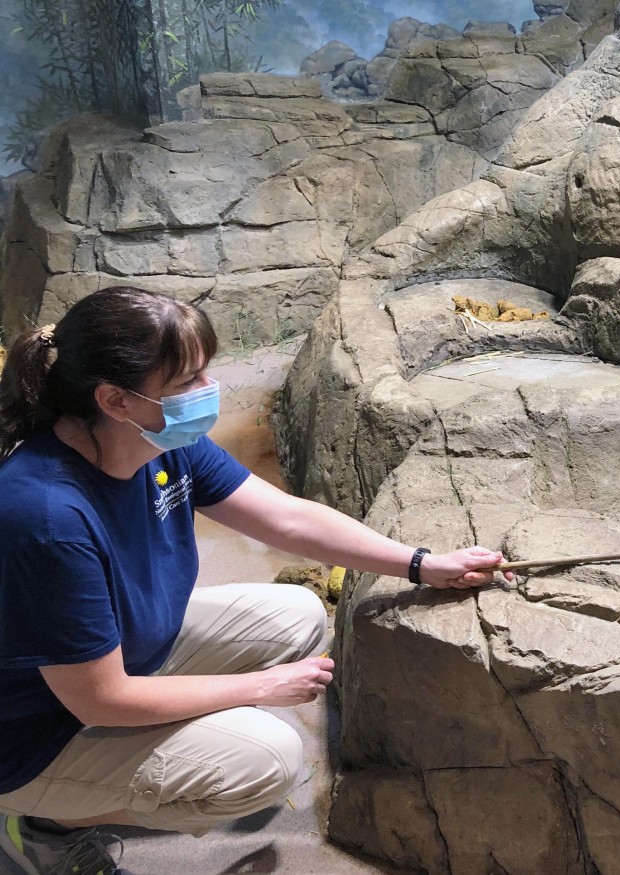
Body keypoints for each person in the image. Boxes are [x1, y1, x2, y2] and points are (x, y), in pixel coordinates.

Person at [0, 287, 509, 875]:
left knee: (298, 612)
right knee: (268, 760)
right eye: (187, 381)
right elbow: (101, 697)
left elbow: (286, 518)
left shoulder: (161, 443)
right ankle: (44, 824)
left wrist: (420, 563)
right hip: (32, 730)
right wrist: (261, 687)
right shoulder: (44, 516)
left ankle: (118, 770)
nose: (208, 392)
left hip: (119, 653)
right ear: (116, 400)